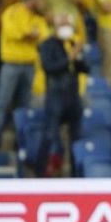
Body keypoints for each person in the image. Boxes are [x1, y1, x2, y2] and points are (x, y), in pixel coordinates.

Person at [38, 13, 88, 177]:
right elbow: (49, 68)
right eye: (63, 25)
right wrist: (69, 58)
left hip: (72, 96)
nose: (66, 29)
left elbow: (85, 68)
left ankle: (76, 175)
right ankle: (40, 173)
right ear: (55, 27)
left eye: (69, 25)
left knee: (77, 138)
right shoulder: (47, 45)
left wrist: (78, 56)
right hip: (55, 96)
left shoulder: (72, 43)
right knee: (50, 135)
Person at [0, 0, 47, 137]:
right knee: (2, 103)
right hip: (11, 64)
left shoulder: (38, 17)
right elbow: (11, 32)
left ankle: (22, 141)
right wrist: (28, 34)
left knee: (25, 107)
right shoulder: (12, 11)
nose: (42, 2)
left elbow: (43, 35)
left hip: (29, 65)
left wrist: (28, 35)